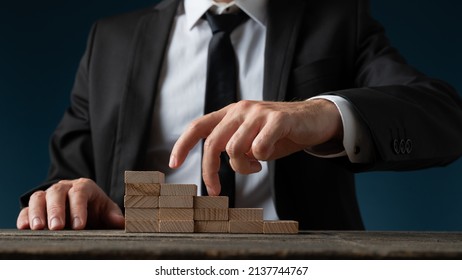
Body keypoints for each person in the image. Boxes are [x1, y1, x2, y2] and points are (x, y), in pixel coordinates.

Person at [17, 0, 462, 231]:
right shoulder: (111, 39)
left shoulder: (338, 20)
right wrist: (65, 195)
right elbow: (66, 178)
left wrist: (324, 112)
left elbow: (444, 117)